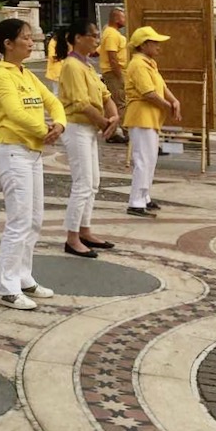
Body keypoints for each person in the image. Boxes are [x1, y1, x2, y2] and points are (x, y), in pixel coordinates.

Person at [0, 18, 66, 310]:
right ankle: (5, 287)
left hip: (32, 153)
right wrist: (44, 130)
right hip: (13, 152)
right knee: (18, 221)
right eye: (26, 38)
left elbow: (53, 102)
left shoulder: (26, 74)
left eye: (32, 38)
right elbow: (14, 112)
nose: (32, 43)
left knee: (34, 219)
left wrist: (59, 124)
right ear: (8, 44)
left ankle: (23, 276)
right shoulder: (1, 74)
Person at [55, 23, 119, 257]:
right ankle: (72, 238)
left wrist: (113, 116)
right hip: (76, 127)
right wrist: (105, 123)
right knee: (82, 183)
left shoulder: (87, 65)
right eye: (92, 36)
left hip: (90, 128)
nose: (97, 39)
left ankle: (85, 230)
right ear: (78, 38)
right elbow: (81, 103)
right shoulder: (71, 65)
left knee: (93, 183)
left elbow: (105, 95)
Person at [124, 26, 181, 217]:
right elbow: (148, 93)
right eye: (154, 42)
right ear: (143, 45)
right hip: (141, 116)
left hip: (150, 117)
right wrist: (168, 105)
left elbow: (161, 86)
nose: (158, 46)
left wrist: (173, 100)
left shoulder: (149, 63)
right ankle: (136, 202)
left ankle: (144, 196)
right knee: (143, 159)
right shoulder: (138, 65)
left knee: (150, 159)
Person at [98, 8, 128, 142]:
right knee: (121, 103)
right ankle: (128, 133)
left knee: (113, 103)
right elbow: (112, 57)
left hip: (115, 72)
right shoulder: (111, 34)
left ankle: (110, 132)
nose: (125, 20)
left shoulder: (112, 33)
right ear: (116, 18)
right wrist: (119, 76)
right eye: (123, 17)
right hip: (114, 72)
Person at [44, 31, 63, 95]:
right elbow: (52, 56)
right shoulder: (53, 42)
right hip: (56, 71)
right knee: (56, 91)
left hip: (64, 70)